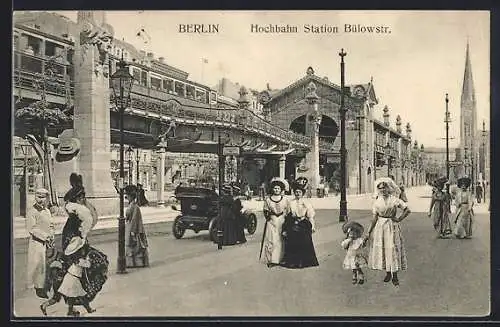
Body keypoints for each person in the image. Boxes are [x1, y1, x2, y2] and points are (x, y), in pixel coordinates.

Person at [365, 179, 411, 286]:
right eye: (380, 188)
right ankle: (388, 273)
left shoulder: (394, 200)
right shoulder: (377, 202)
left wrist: (399, 219)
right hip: (380, 227)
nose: (382, 190)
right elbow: (374, 218)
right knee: (384, 249)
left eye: (384, 188)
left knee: (392, 248)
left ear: (388, 188)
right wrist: (369, 232)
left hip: (391, 226)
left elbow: (407, 210)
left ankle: (394, 275)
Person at [280, 177, 319, 269]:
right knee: (293, 242)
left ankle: (304, 261)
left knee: (304, 241)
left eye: (299, 192)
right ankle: (293, 261)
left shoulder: (306, 202)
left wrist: (312, 226)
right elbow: (287, 215)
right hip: (293, 222)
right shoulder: (291, 202)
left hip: (303, 223)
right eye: (296, 192)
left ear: (302, 193)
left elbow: (310, 215)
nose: (297, 194)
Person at [55, 237, 96, 317]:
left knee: (74, 296)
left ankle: (72, 311)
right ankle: (88, 309)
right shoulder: (79, 259)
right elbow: (88, 265)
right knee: (80, 295)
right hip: (73, 279)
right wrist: (88, 259)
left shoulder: (75, 258)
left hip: (71, 277)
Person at [26, 188, 55, 299]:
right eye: (38, 197)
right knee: (38, 265)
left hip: (47, 243)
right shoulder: (32, 212)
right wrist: (45, 237)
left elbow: (51, 225)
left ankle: (45, 285)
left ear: (46, 198)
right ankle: (39, 288)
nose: (40, 200)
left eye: (42, 197)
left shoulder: (47, 211)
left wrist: (51, 235)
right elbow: (32, 229)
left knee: (47, 265)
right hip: (36, 243)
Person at [260, 178, 290, 268]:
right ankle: (271, 259)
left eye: (278, 189)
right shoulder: (268, 200)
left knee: (281, 239)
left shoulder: (285, 199)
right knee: (271, 239)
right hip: (272, 221)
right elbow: (265, 210)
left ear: (281, 190)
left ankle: (281, 259)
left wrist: (287, 220)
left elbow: (288, 210)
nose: (276, 190)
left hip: (282, 220)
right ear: (272, 189)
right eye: (275, 188)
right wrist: (268, 217)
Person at [125, 185, 150, 268]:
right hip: (130, 227)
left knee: (135, 246)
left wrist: (133, 231)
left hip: (133, 228)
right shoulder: (131, 205)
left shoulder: (135, 207)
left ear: (131, 196)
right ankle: (133, 262)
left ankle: (136, 263)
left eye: (128, 196)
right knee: (132, 245)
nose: (127, 197)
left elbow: (135, 220)